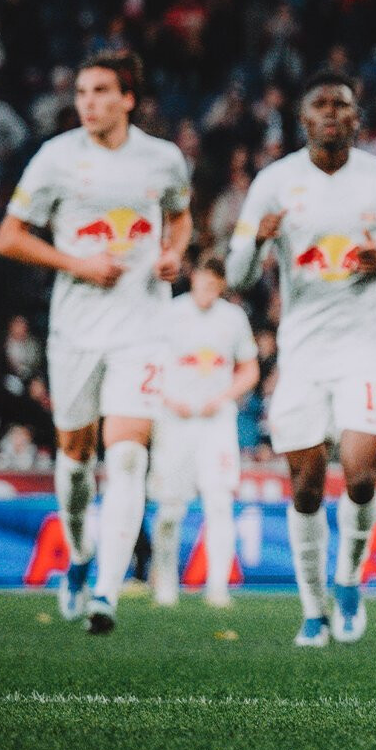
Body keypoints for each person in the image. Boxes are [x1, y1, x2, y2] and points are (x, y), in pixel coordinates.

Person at [0, 51, 192, 633]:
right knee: (76, 461)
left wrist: (173, 252)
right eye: (82, 92)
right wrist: (74, 263)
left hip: (143, 329)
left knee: (128, 454)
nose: (88, 102)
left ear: (128, 98)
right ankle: (79, 558)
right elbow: (9, 237)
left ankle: (107, 590)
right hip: (76, 330)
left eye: (101, 91)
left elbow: (180, 216)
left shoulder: (163, 159)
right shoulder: (55, 159)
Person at [227, 71, 376, 647]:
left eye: (343, 104)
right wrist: (259, 240)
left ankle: (348, 581)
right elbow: (237, 275)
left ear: (357, 118)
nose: (332, 114)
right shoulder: (274, 182)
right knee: (307, 487)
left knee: (362, 477)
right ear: (304, 118)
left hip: (366, 346)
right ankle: (313, 610)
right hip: (304, 352)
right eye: (321, 105)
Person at [151, 254, 259, 608]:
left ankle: (217, 587)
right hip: (175, 420)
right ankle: (165, 582)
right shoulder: (169, 314)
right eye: (202, 282)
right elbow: (148, 364)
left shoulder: (233, 318)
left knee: (220, 502)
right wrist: (167, 398)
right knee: (170, 508)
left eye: (214, 285)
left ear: (221, 286)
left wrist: (225, 395)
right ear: (192, 277)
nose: (206, 291)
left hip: (216, 422)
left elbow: (249, 369)